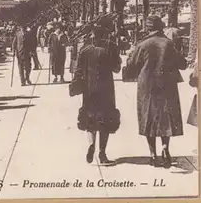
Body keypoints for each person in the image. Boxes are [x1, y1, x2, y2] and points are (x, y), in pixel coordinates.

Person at [126, 15, 187, 168]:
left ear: (148, 28)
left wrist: (130, 57)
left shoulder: (143, 44)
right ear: (161, 27)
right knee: (166, 117)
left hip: (147, 86)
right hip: (167, 85)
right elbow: (183, 64)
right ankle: (165, 147)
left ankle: (153, 155)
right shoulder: (169, 44)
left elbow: (132, 65)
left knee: (149, 118)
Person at [73, 23, 121, 164]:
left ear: (93, 36)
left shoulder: (85, 50)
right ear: (104, 36)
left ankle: (91, 144)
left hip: (89, 90)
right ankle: (102, 153)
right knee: (105, 121)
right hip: (106, 90)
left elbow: (78, 71)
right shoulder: (109, 49)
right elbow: (116, 68)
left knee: (90, 119)